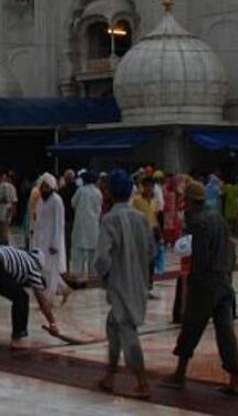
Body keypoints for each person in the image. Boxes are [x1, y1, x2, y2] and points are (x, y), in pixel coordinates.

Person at [164, 179, 238, 397]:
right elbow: (231, 247)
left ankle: (179, 374)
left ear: (189, 201)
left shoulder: (198, 222)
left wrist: (192, 284)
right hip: (224, 281)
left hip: (206, 282)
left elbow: (201, 257)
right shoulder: (218, 218)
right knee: (226, 332)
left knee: (191, 327)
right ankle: (235, 379)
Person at [93, 170, 153, 401]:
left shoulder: (110, 219)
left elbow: (101, 258)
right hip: (137, 283)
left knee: (127, 331)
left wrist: (104, 275)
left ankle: (142, 382)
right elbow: (150, 252)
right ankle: (109, 376)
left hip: (119, 284)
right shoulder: (140, 218)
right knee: (113, 326)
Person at [0, 245, 59, 346]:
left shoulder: (20, 256)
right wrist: (53, 323)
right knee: (21, 297)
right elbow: (42, 302)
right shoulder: (33, 267)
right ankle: (18, 335)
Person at [30, 173, 68, 302]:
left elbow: (59, 223)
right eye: (42, 186)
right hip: (41, 239)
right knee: (44, 268)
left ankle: (48, 298)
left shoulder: (57, 200)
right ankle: (65, 289)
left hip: (52, 241)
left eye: (47, 187)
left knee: (52, 269)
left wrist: (55, 244)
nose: (44, 189)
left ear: (52, 187)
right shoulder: (41, 200)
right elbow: (38, 219)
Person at [70, 170, 102, 277]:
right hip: (93, 226)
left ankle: (77, 275)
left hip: (80, 225)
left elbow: (73, 203)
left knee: (78, 255)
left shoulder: (81, 191)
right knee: (93, 254)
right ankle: (93, 277)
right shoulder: (98, 192)